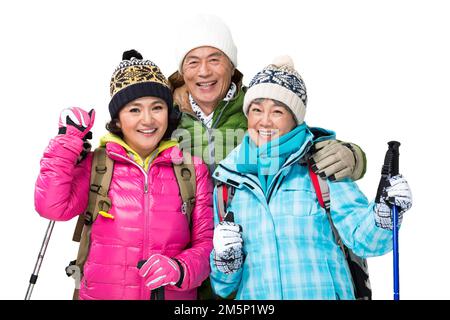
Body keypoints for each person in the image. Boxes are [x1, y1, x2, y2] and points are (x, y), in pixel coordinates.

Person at [209, 56, 413, 300]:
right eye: (257, 110)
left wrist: (384, 213)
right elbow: (223, 286)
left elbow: (365, 240)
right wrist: (224, 259)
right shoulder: (229, 182)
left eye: (277, 111)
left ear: (295, 119)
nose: (264, 121)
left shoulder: (322, 166)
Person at [34, 50, 213, 300]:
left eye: (157, 107)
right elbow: (51, 207)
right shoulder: (99, 165)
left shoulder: (192, 170)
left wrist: (180, 269)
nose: (148, 120)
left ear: (168, 112)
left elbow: (207, 246)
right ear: (117, 119)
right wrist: (68, 140)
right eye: (134, 110)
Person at [170, 14, 365, 181]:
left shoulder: (258, 108)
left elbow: (299, 141)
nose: (204, 72)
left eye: (214, 60)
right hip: (189, 225)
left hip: (250, 221)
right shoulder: (165, 115)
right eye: (193, 62)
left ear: (231, 65)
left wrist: (352, 156)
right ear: (182, 71)